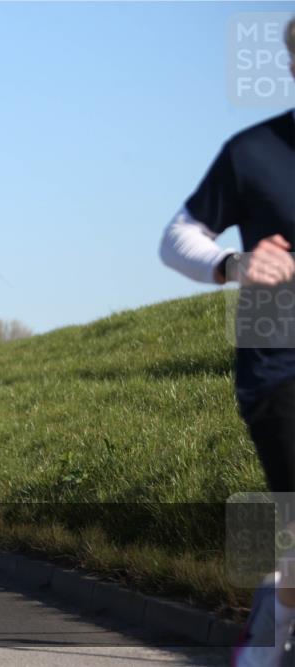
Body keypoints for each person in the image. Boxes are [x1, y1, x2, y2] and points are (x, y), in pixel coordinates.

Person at [160, 17, 295, 666]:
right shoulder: (253, 152)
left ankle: (280, 599)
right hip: (280, 370)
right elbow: (176, 238)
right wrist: (234, 264)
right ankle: (270, 633)